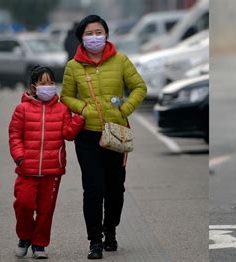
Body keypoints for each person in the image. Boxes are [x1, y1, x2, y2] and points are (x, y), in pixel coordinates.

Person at [60, 15, 147, 259]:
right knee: (93, 188)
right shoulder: (73, 66)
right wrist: (84, 109)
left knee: (115, 189)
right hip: (87, 137)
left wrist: (124, 109)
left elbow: (140, 87)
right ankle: (95, 241)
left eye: (99, 32)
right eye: (89, 33)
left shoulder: (121, 60)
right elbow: (65, 97)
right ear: (81, 38)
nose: (95, 37)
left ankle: (111, 230)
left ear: (107, 35)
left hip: (115, 134)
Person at [9, 65, 84, 259]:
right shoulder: (22, 109)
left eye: (51, 83)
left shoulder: (61, 109)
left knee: (45, 211)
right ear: (33, 87)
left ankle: (39, 244)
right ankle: (24, 237)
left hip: (52, 171)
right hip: (27, 169)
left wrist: (78, 119)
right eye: (43, 83)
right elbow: (15, 135)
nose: (48, 87)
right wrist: (20, 156)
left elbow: (68, 134)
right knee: (23, 204)